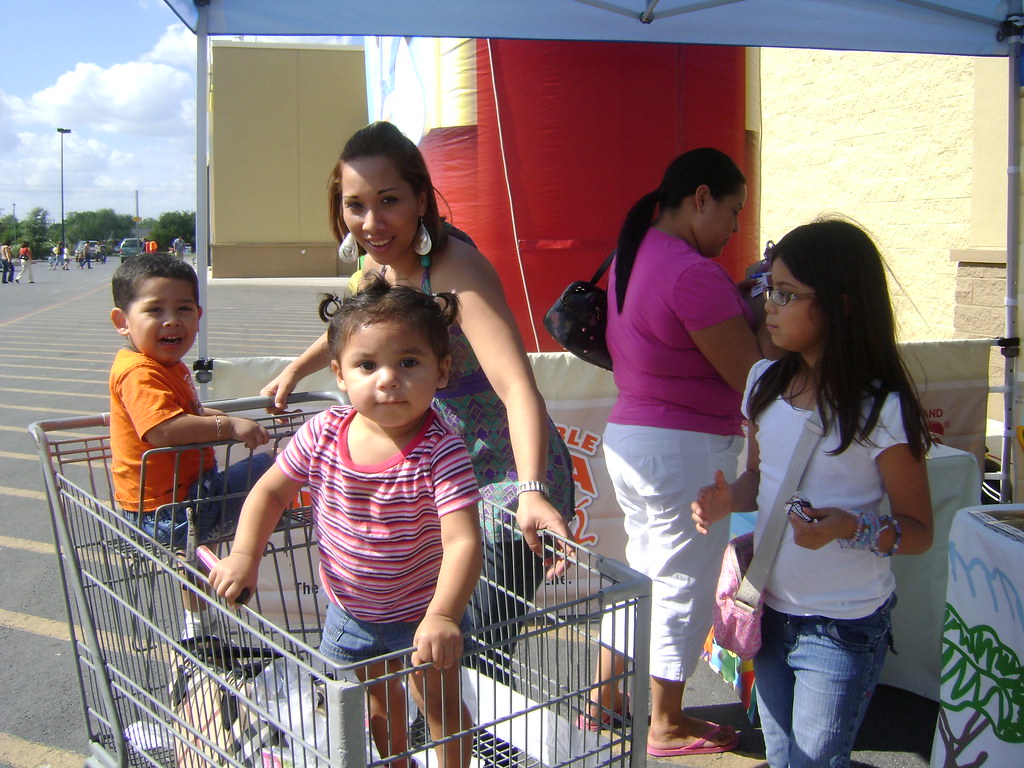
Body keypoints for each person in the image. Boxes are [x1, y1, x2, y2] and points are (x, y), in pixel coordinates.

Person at [262, 121, 575, 667]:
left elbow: (518, 389)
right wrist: (297, 369)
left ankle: (467, 745)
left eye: (388, 201)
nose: (372, 222)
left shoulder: (457, 268)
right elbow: (354, 327)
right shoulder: (374, 267)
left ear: (421, 199)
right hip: (434, 471)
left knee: (471, 648)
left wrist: (530, 488)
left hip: (505, 474)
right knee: (421, 644)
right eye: (355, 205)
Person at [210, 276, 482, 768]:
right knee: (378, 704)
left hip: (421, 612)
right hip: (348, 610)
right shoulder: (323, 432)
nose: (387, 379)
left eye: (408, 362)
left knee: (439, 703)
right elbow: (270, 492)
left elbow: (462, 541)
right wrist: (245, 556)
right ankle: (397, 762)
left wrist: (442, 615)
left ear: (442, 371)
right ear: (339, 373)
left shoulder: (442, 449)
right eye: (367, 365)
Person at [691, 217, 933, 768]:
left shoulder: (882, 409)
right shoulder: (763, 383)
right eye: (766, 290)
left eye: (785, 294)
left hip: (844, 627)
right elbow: (760, 481)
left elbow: (918, 531)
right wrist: (730, 499)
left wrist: (852, 528)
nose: (767, 305)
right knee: (782, 756)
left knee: (814, 761)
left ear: (841, 304)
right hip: (768, 610)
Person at [583, 148, 775, 757]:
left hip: (636, 438)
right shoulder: (693, 273)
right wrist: (771, 316)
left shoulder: (635, 252)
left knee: (644, 573)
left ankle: (602, 701)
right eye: (733, 211)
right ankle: (664, 722)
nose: (737, 227)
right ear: (699, 199)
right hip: (685, 451)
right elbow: (752, 375)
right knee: (681, 585)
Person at [109, 253, 274, 637]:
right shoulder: (138, 373)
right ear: (122, 322)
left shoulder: (165, 365)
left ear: (198, 315)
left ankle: (197, 625)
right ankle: (199, 623)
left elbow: (189, 410)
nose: (172, 320)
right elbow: (163, 431)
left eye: (183, 308)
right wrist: (230, 426)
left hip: (178, 498)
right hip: (173, 506)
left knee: (193, 558)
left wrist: (222, 417)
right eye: (155, 310)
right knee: (276, 468)